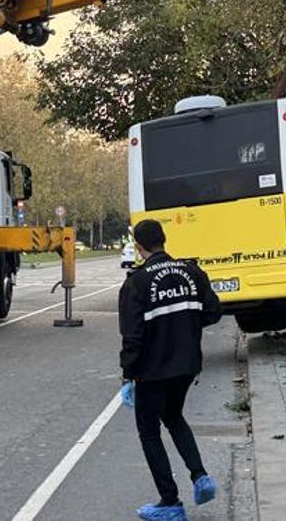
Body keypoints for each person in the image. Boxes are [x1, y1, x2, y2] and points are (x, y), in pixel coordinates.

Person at [118, 219, 222, 521]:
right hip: (187, 365)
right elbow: (213, 312)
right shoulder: (191, 271)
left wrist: (128, 373)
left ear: (139, 247)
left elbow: (132, 337)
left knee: (149, 432)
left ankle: (170, 501)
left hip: (152, 371)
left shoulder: (135, 283)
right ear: (164, 240)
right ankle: (200, 476)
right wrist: (185, 328)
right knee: (174, 416)